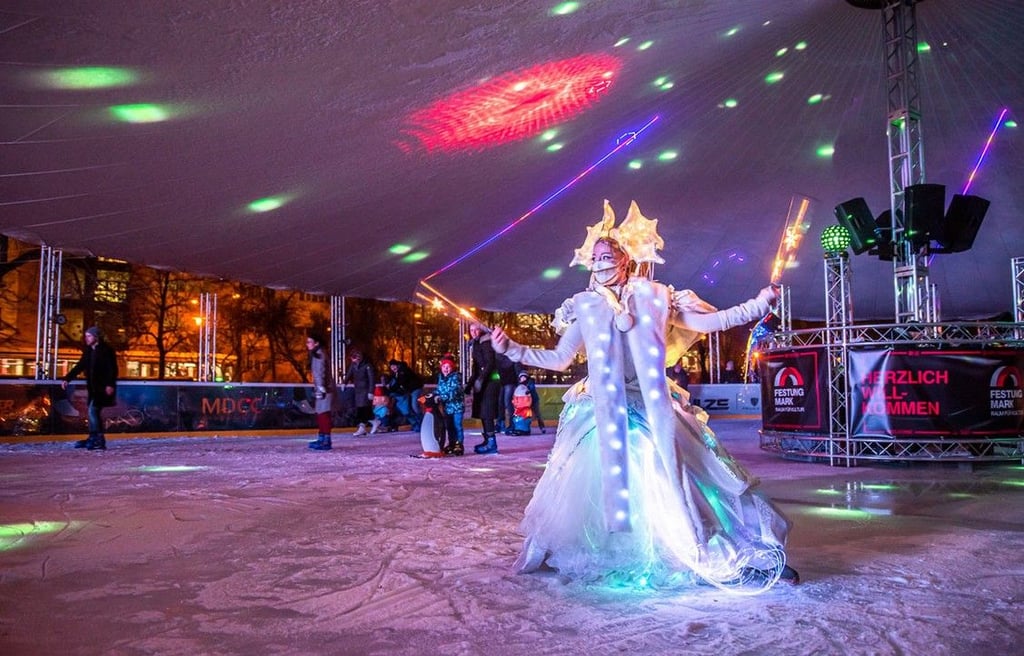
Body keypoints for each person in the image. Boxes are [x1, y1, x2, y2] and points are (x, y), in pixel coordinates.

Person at [490, 199, 798, 592]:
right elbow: (558, 358)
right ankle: (613, 552)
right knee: (601, 486)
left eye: (607, 256)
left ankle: (724, 548)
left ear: (625, 259)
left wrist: (759, 303)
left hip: (653, 405)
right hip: (603, 410)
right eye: (595, 258)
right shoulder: (584, 306)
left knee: (692, 475)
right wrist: (511, 349)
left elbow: (713, 322)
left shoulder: (657, 296)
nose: (600, 264)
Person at [62, 326, 118, 451]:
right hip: (93, 388)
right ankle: (95, 437)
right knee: (93, 412)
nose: (86, 338)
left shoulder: (106, 350)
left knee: (93, 411)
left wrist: (110, 384)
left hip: (102, 388)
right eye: (86, 336)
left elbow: (112, 368)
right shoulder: (88, 351)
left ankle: (97, 438)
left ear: (96, 337)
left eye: (89, 336)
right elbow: (80, 366)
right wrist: (67, 378)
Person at [464, 322, 501, 454]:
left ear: (481, 330)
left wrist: (481, 379)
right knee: (482, 413)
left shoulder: (486, 343)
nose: (473, 332)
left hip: (490, 382)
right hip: (483, 382)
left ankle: (491, 443)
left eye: (476, 330)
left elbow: (490, 363)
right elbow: (475, 368)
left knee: (487, 412)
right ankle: (487, 439)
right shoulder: (476, 344)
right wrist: (469, 386)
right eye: (471, 330)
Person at [305, 332, 336, 450]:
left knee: (323, 414)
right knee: (321, 413)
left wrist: (321, 387)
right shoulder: (317, 354)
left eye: (309, 342)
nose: (307, 344)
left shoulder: (319, 354)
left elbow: (320, 372)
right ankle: (322, 438)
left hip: (324, 389)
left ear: (316, 343)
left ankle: (326, 440)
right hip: (322, 388)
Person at [433, 353, 466, 455]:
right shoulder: (441, 378)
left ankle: (458, 444)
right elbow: (439, 389)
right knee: (449, 427)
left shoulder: (456, 377)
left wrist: (441, 397)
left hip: (457, 407)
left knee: (457, 426)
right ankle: (452, 443)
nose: (446, 369)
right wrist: (433, 395)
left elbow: (454, 391)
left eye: (448, 367)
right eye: (444, 367)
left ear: (452, 367)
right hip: (447, 408)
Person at [343, 348, 377, 436]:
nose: (353, 360)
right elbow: (349, 374)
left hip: (365, 390)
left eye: (354, 357)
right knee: (361, 409)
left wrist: (371, 391)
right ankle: (373, 422)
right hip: (358, 390)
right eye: (352, 358)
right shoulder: (353, 365)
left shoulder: (367, 366)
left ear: (359, 357)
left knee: (363, 409)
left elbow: (372, 379)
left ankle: (363, 427)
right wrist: (344, 383)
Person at [386, 359, 425, 432]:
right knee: (408, 409)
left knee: (414, 406)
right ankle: (417, 424)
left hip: (415, 389)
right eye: (391, 367)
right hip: (409, 391)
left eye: (394, 366)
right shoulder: (396, 374)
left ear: (397, 365)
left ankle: (423, 421)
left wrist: (391, 388)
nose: (393, 368)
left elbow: (401, 382)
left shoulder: (402, 370)